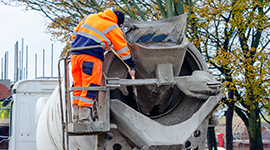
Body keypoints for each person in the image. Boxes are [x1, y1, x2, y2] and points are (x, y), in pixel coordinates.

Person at [71, 9, 136, 122]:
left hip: (75, 55)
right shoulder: (112, 27)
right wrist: (131, 65)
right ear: (118, 22)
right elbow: (122, 50)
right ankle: (84, 116)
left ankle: (76, 114)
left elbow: (74, 35)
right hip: (91, 58)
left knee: (78, 85)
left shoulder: (90, 17)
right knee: (91, 85)